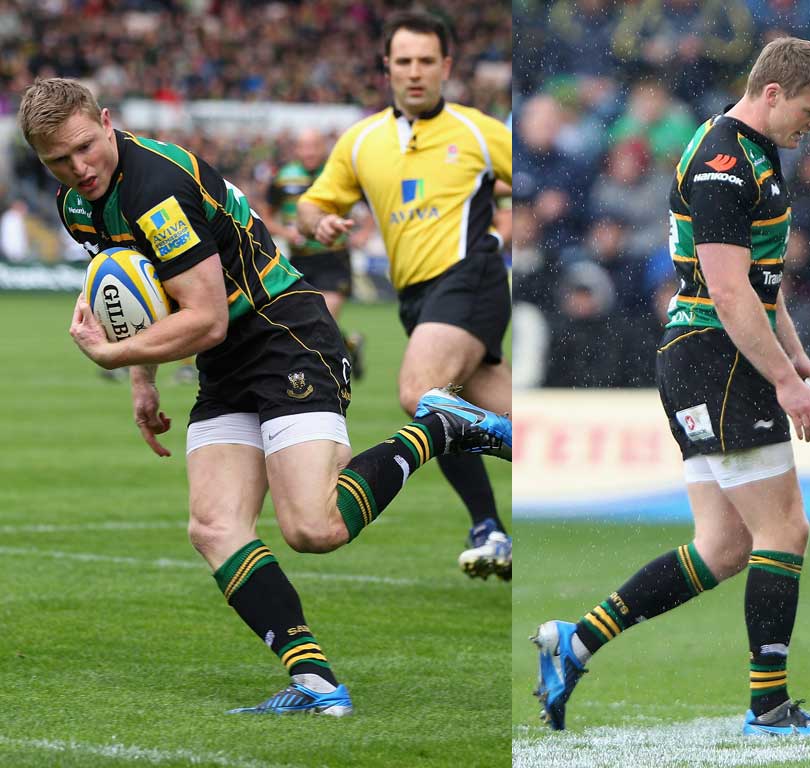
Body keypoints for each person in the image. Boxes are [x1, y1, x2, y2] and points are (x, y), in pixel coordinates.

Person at [18, 76, 511, 716]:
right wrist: (142, 382)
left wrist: (115, 358)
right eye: (58, 159)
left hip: (283, 335)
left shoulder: (157, 188)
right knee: (215, 526)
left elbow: (205, 318)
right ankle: (315, 683)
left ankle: (439, 428)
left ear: (107, 121)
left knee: (313, 526)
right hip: (225, 362)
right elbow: (136, 294)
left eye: (86, 147)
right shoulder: (77, 205)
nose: (78, 168)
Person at [532, 37, 810, 737]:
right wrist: (782, 381)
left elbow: (765, 286)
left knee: (723, 545)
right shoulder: (721, 162)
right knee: (785, 528)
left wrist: (796, 358)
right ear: (771, 93)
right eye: (807, 111)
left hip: (709, 357)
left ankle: (575, 641)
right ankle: (769, 707)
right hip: (719, 358)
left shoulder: (754, 152)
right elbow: (730, 291)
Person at [297, 10, 513, 581]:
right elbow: (314, 203)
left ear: (445, 66)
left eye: (426, 62)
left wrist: (510, 217)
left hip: (471, 278)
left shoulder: (477, 131)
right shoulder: (362, 141)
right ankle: (493, 528)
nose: (414, 73)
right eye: (404, 62)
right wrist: (318, 222)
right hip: (418, 300)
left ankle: (487, 523)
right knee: (487, 412)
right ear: (386, 66)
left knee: (422, 391)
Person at [266, 127, 364, 379]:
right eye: (304, 146)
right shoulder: (283, 178)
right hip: (299, 258)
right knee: (311, 321)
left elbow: (372, 204)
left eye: (314, 146)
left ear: (324, 148)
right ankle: (350, 345)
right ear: (297, 149)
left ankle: (325, 376)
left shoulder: (337, 175)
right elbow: (265, 216)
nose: (309, 152)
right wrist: (286, 233)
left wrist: (364, 233)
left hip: (333, 257)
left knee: (325, 317)